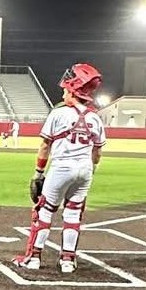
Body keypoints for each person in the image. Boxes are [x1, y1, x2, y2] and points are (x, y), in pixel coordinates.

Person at [12, 64, 108, 273]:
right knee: (73, 214)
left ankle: (34, 258)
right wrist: (90, 171)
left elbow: (45, 145)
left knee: (44, 211)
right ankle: (67, 261)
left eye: (66, 89)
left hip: (62, 168)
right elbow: (97, 152)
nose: (63, 92)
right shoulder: (95, 118)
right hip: (85, 170)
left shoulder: (59, 114)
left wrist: (38, 173)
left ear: (73, 90)